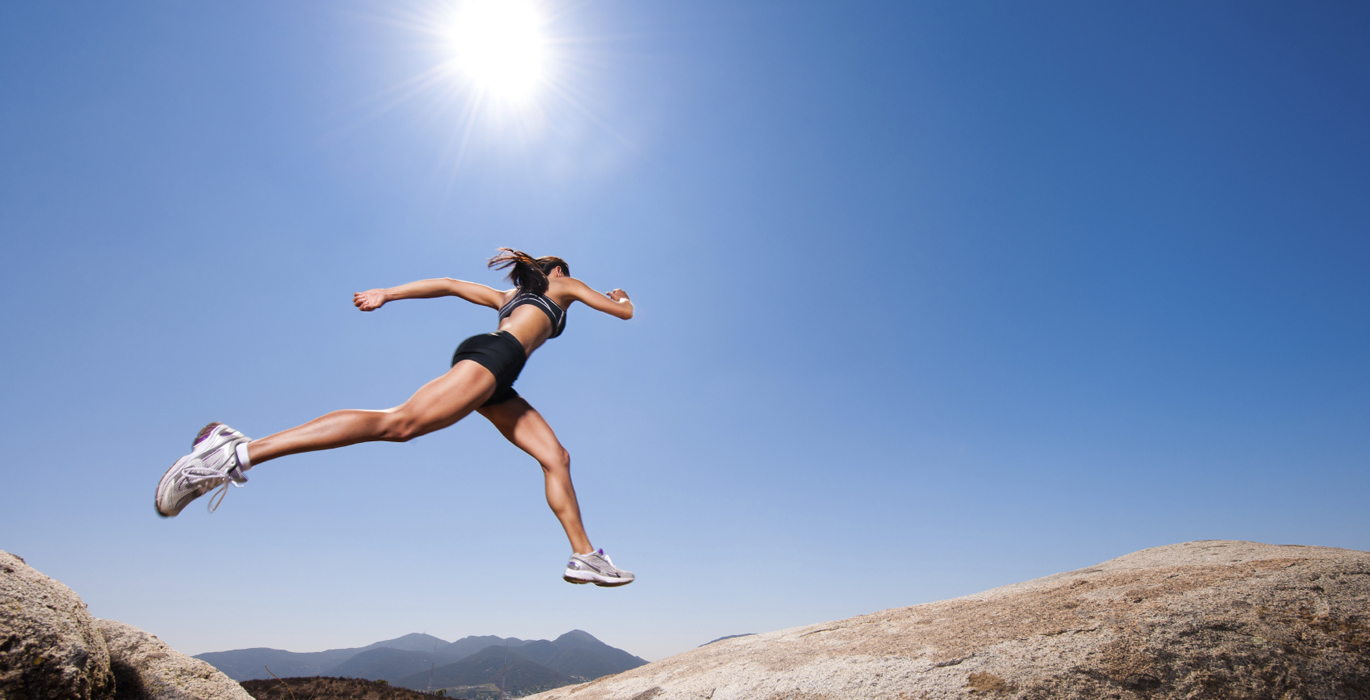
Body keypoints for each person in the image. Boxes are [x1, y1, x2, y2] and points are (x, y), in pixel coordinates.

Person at [154, 249, 635, 587]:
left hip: (498, 371)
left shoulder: (505, 300)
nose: (569, 278)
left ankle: (584, 555)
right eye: (563, 271)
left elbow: (449, 285)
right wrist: (621, 297)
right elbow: (623, 314)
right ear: (552, 270)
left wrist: (389, 292)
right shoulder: (561, 283)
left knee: (556, 457)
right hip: (496, 357)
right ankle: (235, 451)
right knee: (399, 424)